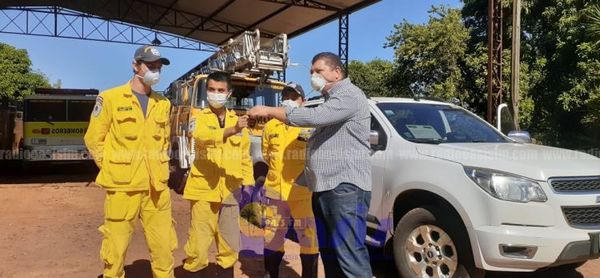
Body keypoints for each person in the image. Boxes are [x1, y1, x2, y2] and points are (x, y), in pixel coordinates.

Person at [248, 52, 372, 277]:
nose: (314, 76)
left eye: (319, 71)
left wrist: (268, 110)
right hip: (324, 188)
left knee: (349, 254)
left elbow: (314, 118)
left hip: (344, 187)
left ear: (336, 72)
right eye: (311, 72)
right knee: (331, 254)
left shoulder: (349, 95)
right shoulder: (331, 100)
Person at [84, 45, 177, 278]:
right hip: (123, 188)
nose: (155, 71)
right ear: (135, 65)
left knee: (164, 248)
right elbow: (94, 139)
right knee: (116, 249)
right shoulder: (110, 98)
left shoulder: (163, 104)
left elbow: (164, 141)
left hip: (156, 188)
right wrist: (111, 167)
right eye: (150, 66)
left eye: (158, 67)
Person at [182, 71, 255, 277]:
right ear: (207, 92)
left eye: (220, 90)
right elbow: (201, 137)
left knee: (229, 246)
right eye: (212, 90)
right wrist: (231, 130)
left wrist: (248, 185)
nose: (216, 94)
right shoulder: (199, 118)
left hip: (230, 192)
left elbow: (245, 157)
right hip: (204, 190)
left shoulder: (239, 121)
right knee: (198, 245)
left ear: (229, 93)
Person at [261, 83, 318, 278]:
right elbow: (267, 154)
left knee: (307, 237)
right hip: (275, 191)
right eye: (286, 96)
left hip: (301, 190)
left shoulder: (310, 126)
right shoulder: (270, 126)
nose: (289, 100)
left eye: (294, 97)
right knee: (272, 235)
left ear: (303, 101)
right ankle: (271, 274)